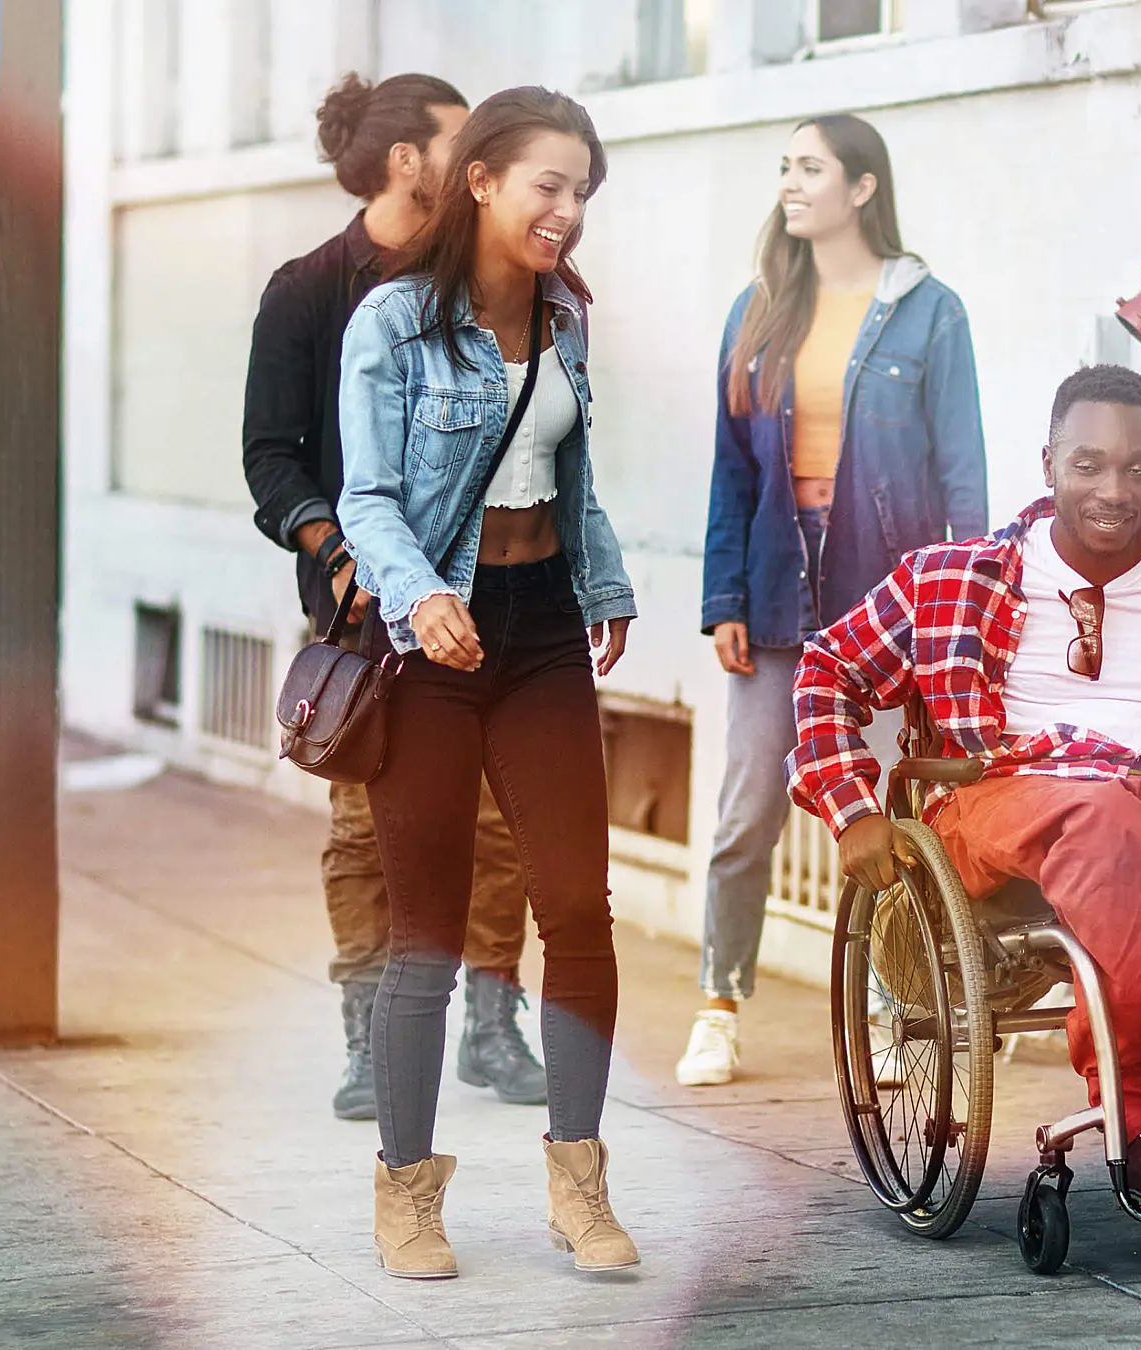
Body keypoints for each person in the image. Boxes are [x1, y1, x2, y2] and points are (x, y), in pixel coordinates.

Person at [789, 364, 1141, 1208]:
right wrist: (852, 810)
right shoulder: (951, 577)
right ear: (1049, 465)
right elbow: (828, 670)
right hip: (1005, 791)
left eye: (1138, 467)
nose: (1115, 490)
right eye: (1089, 465)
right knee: (1102, 817)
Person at [337, 87, 639, 1279]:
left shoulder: (567, 316)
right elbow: (367, 498)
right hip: (435, 645)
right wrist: (421, 597)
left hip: (545, 628)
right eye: (548, 185)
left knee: (577, 907)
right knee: (427, 932)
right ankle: (406, 1194)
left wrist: (606, 582)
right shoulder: (394, 322)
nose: (568, 210)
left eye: (583, 192)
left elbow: (572, 473)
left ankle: (580, 1181)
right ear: (481, 180)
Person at [241, 73, 546, 1122]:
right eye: (460, 141)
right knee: (365, 828)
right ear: (408, 159)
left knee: (499, 817)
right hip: (361, 608)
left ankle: (492, 1024)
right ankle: (369, 1039)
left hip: (493, 590)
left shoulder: (496, 276)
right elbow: (271, 458)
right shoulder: (307, 290)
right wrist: (338, 552)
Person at [680, 114, 989, 1087]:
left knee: (893, 810)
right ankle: (719, 1006)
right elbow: (732, 471)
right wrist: (725, 596)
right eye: (784, 167)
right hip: (777, 591)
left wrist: (964, 611)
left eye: (809, 168)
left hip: (886, 603)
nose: (790, 182)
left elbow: (964, 475)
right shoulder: (758, 310)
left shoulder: (929, 313)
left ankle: (899, 1007)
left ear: (862, 188)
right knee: (747, 811)